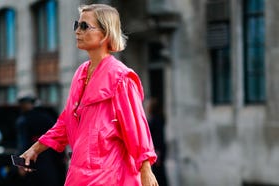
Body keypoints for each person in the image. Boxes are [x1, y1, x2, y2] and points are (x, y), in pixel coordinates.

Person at [20, 4, 158, 186]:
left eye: (84, 26)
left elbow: (136, 127)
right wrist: (35, 149)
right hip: (78, 175)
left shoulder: (121, 78)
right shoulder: (80, 73)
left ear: (105, 34)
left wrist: (145, 169)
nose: (77, 31)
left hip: (110, 177)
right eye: (77, 25)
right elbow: (65, 122)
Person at [15, 95, 66, 186]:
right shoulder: (48, 117)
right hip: (50, 160)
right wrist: (62, 157)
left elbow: (23, 143)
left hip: (33, 160)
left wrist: (20, 163)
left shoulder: (24, 120)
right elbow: (58, 137)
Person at [147, 98, 168, 186]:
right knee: (160, 174)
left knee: (158, 175)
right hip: (158, 151)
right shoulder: (159, 119)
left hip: (157, 152)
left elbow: (157, 138)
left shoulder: (155, 120)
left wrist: (158, 153)